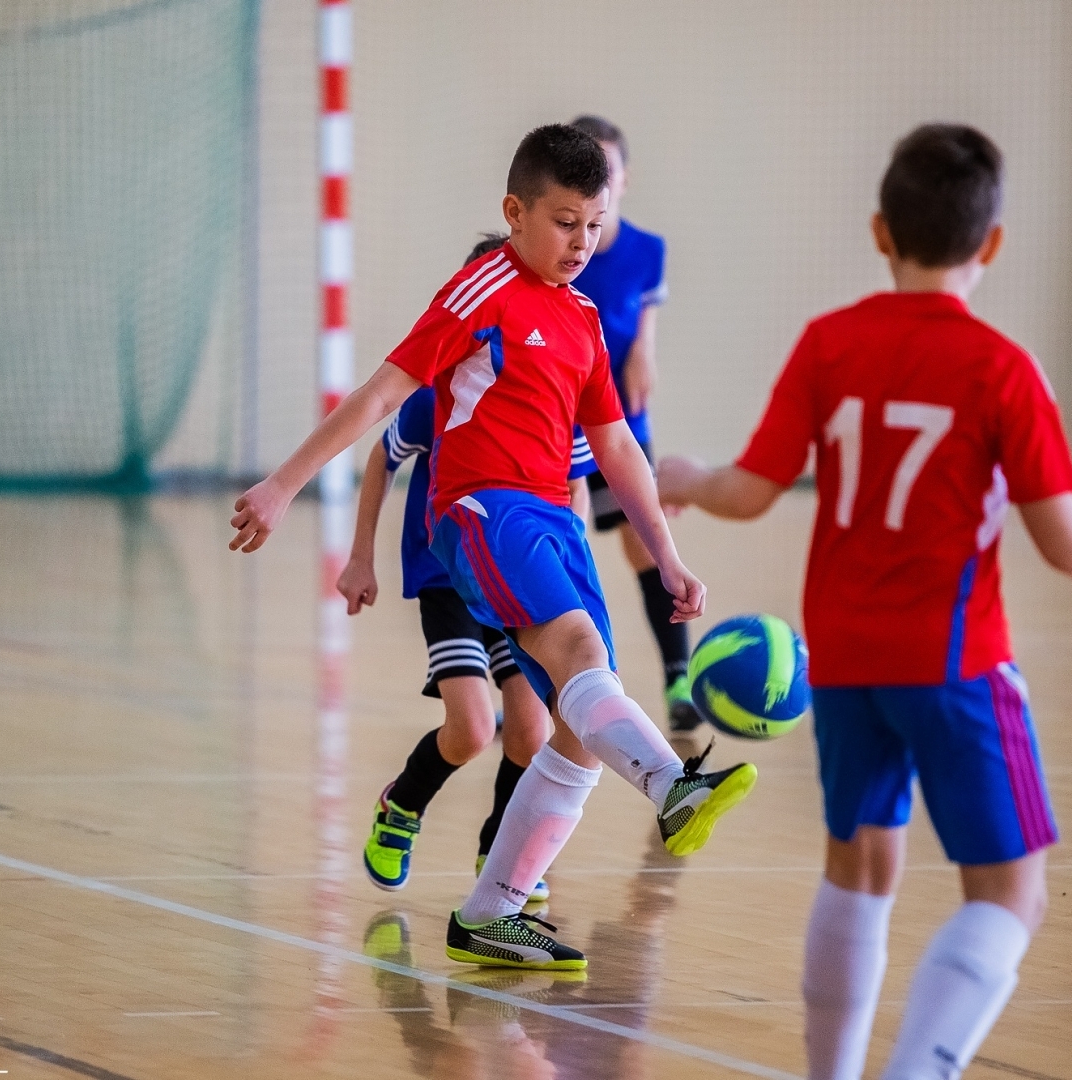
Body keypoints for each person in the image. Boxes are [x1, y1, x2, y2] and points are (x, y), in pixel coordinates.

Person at [657, 124, 1072, 1079]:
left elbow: (752, 490)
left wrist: (689, 477)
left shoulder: (829, 344)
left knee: (859, 867)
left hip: (843, 661)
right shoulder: (1002, 369)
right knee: (1011, 895)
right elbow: (1066, 544)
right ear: (993, 243)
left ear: (880, 231)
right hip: (954, 663)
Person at [231, 124, 756, 971]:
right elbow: (382, 395)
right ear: (515, 213)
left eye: (595, 225)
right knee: (573, 656)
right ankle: (673, 785)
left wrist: (665, 554)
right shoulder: (484, 288)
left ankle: (491, 912)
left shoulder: (583, 317)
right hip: (483, 508)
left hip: (556, 521)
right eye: (564, 222)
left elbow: (617, 447)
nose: (581, 243)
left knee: (577, 727)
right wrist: (284, 484)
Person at [340, 233, 593, 902]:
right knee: (475, 729)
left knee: (531, 730)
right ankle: (402, 805)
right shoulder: (437, 395)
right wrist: (360, 556)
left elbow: (577, 483)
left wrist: (568, 562)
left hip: (516, 577)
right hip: (448, 574)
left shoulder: (554, 387)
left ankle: (498, 852)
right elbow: (382, 456)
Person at [566, 116, 698, 731]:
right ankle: (542, 688)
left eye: (607, 168)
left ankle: (679, 679)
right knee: (559, 549)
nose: (598, 179)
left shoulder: (647, 250)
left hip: (620, 421)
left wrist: (645, 349)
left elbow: (643, 322)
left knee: (645, 543)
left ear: (624, 177)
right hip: (558, 425)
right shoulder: (560, 247)